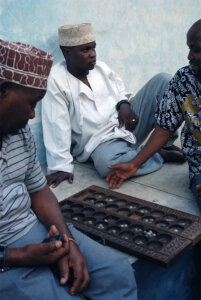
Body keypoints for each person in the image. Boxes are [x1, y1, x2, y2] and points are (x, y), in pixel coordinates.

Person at [0, 39, 137, 300]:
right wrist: (19, 256)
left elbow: (39, 192)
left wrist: (67, 241)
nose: (32, 116)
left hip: (36, 232)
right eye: (32, 103)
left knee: (117, 275)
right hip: (6, 255)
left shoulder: (20, 135)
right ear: (3, 90)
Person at [42, 23, 185, 188]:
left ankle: (164, 144)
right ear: (67, 52)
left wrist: (124, 104)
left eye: (93, 48)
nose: (92, 55)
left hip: (126, 124)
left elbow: (119, 90)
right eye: (85, 50)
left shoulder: (100, 67)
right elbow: (56, 125)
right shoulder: (56, 81)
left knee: (165, 80)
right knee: (107, 165)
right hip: (100, 143)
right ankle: (157, 154)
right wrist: (60, 166)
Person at [106, 19, 201, 210]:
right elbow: (165, 127)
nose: (189, 56)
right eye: (189, 48)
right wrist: (134, 164)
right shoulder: (184, 79)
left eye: (196, 49)